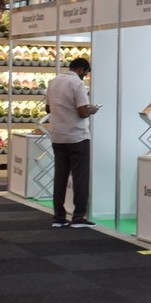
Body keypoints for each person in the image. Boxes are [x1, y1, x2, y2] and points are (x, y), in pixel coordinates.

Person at [45, 57, 98, 228]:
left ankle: (59, 217)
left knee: (60, 176)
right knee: (80, 177)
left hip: (58, 135)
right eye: (86, 73)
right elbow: (82, 112)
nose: (86, 76)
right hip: (77, 136)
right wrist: (92, 110)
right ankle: (78, 217)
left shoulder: (54, 81)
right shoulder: (77, 84)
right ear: (81, 69)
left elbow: (47, 108)